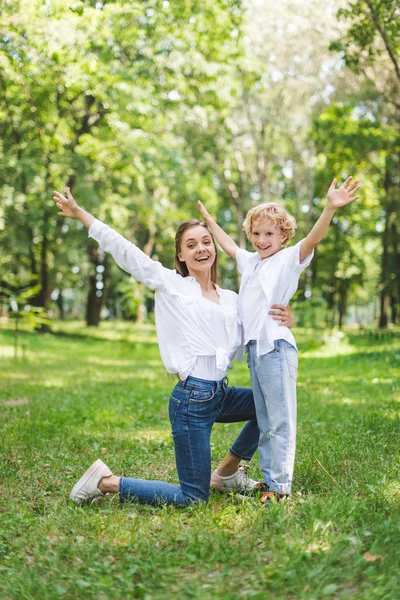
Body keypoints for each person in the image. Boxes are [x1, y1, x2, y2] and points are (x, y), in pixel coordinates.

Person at [52, 188, 294, 507]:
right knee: (192, 498)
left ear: (215, 248)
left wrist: (286, 317)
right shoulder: (171, 286)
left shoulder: (231, 299)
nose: (201, 249)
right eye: (190, 245)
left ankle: (226, 473)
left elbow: (259, 320)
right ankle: (105, 481)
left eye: (206, 242)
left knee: (268, 408)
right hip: (191, 401)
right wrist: (83, 215)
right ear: (181, 255)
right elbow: (126, 251)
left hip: (219, 394)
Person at [197, 176, 360, 503]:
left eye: (269, 233)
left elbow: (313, 240)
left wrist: (329, 207)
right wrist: (209, 221)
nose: (261, 239)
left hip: (277, 348)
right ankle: (271, 482)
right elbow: (229, 245)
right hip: (257, 350)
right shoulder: (251, 263)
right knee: (266, 419)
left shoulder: (288, 259)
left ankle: (279, 487)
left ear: (283, 235)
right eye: (256, 233)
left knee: (279, 421)